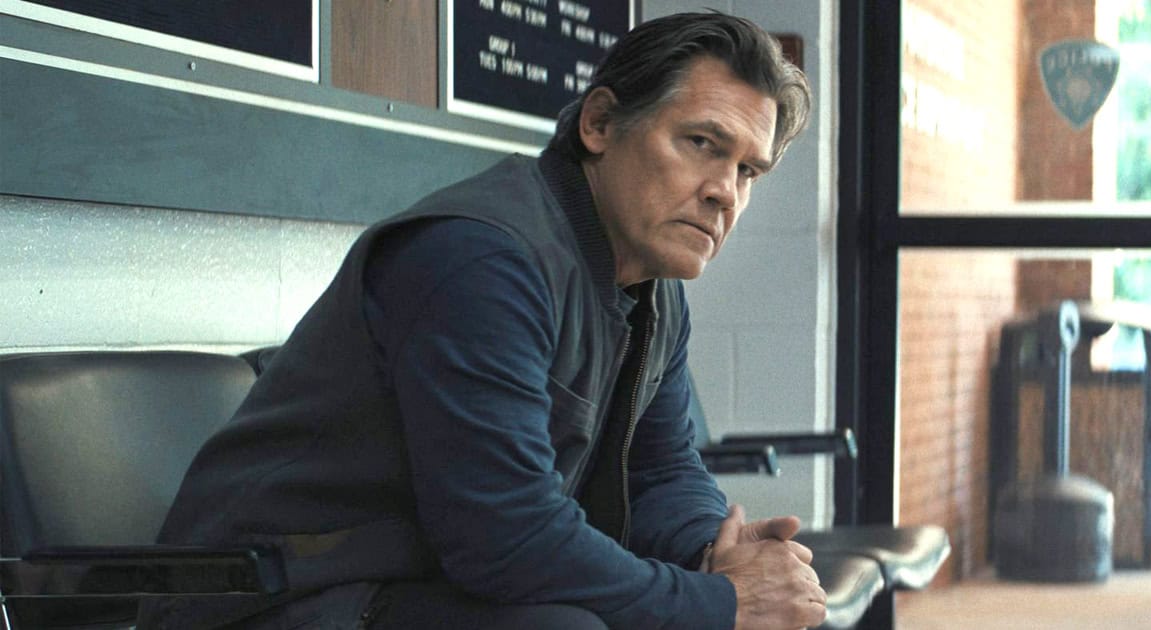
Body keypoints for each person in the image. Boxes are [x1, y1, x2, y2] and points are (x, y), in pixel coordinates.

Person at [140, 11, 824, 630]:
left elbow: (661, 471)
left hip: (416, 586)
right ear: (599, 124)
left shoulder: (652, 285)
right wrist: (721, 602)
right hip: (271, 596)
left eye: (747, 171)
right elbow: (507, 538)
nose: (723, 192)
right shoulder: (482, 258)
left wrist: (715, 552)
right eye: (702, 143)